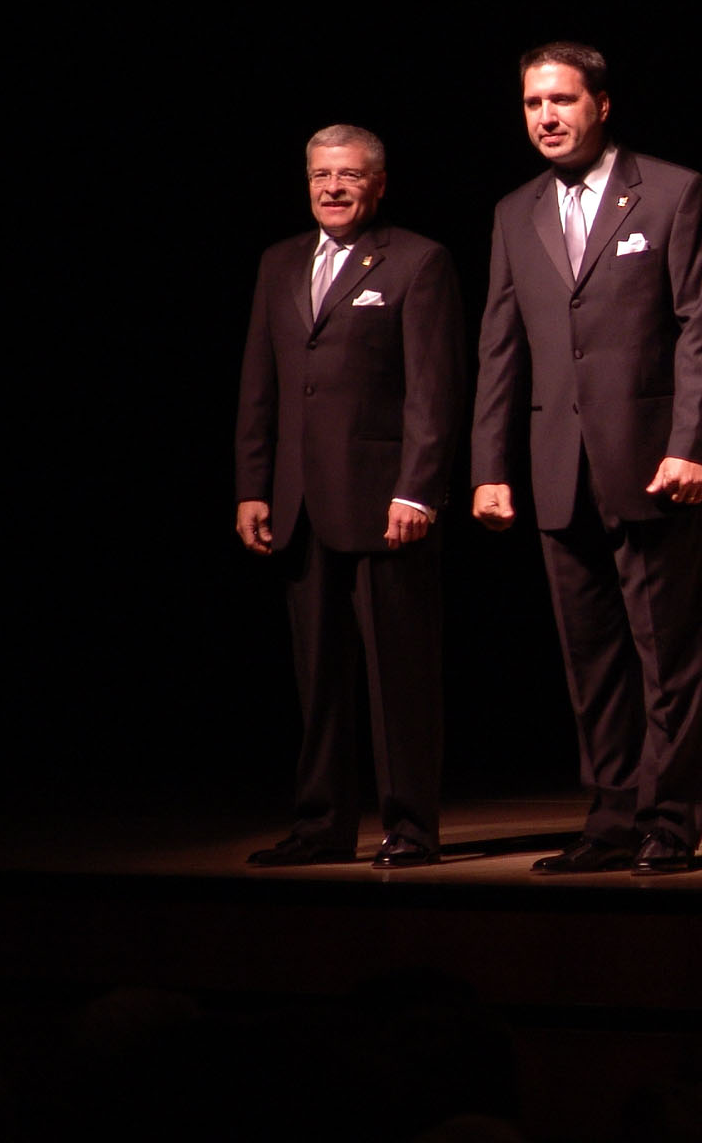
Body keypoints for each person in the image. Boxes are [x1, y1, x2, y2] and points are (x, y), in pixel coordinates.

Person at [471, 41, 702, 874]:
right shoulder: (515, 211)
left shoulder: (672, 191)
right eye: (532, 103)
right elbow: (500, 348)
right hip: (557, 467)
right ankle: (612, 819)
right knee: (591, 664)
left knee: (668, 660)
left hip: (652, 464)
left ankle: (668, 823)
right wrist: (489, 467)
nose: (546, 117)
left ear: (602, 104)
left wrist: (692, 445)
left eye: (562, 100)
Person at [235, 124, 466, 868]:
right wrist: (254, 485)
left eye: (349, 175)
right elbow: (260, 383)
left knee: (400, 677)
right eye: (320, 175)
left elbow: (434, 390)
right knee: (318, 679)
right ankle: (322, 826)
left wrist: (419, 492)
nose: (332, 188)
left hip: (384, 505)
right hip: (300, 505)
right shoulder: (279, 262)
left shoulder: (418, 260)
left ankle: (411, 828)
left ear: (379, 184)